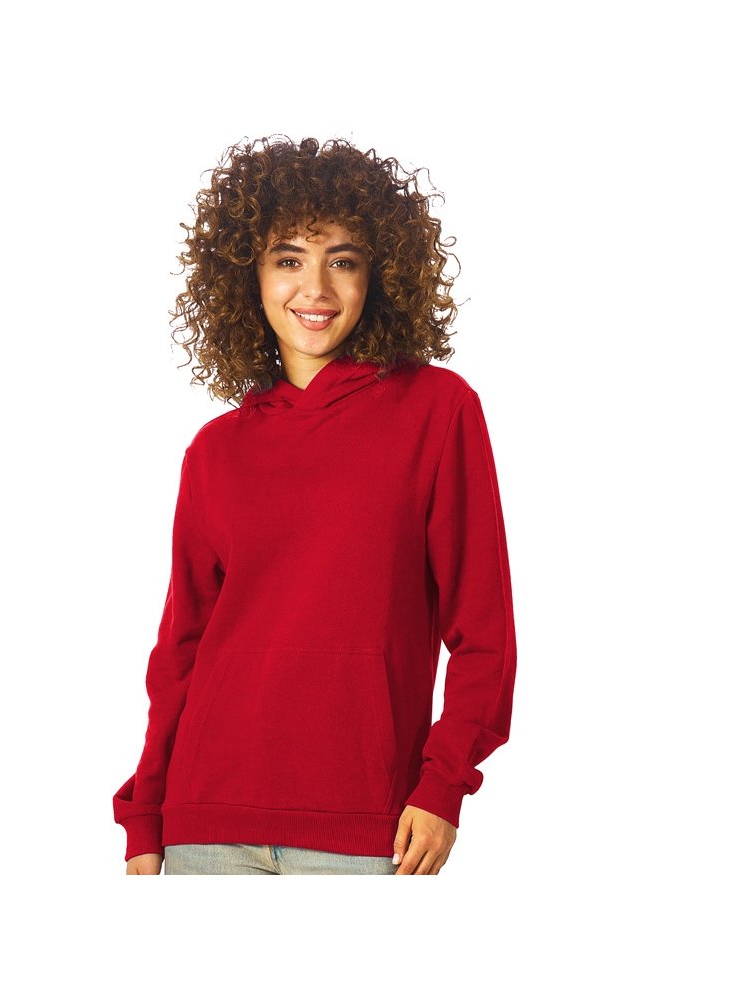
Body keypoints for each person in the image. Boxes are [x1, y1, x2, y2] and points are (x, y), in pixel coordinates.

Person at [113, 135, 517, 875]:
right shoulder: (215, 449)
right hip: (206, 819)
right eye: (289, 259)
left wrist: (443, 784)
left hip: (367, 821)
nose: (316, 288)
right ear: (249, 275)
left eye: (344, 260)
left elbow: (484, 631)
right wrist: (145, 816)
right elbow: (180, 653)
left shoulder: (438, 411)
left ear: (379, 274)